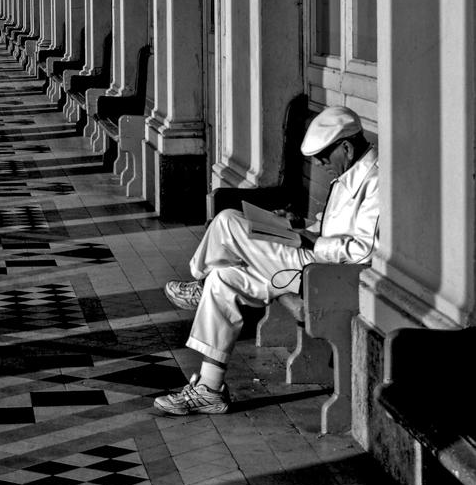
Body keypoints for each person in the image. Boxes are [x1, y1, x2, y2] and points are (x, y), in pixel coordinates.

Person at [154, 105, 379, 416]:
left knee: (229, 222)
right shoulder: (350, 169)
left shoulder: (376, 181)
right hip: (310, 264)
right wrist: (298, 225)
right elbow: (332, 230)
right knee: (224, 280)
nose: (321, 164)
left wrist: (309, 240)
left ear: (346, 147)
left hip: (327, 276)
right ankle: (209, 388)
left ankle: (200, 281)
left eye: (325, 157)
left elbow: (362, 252)